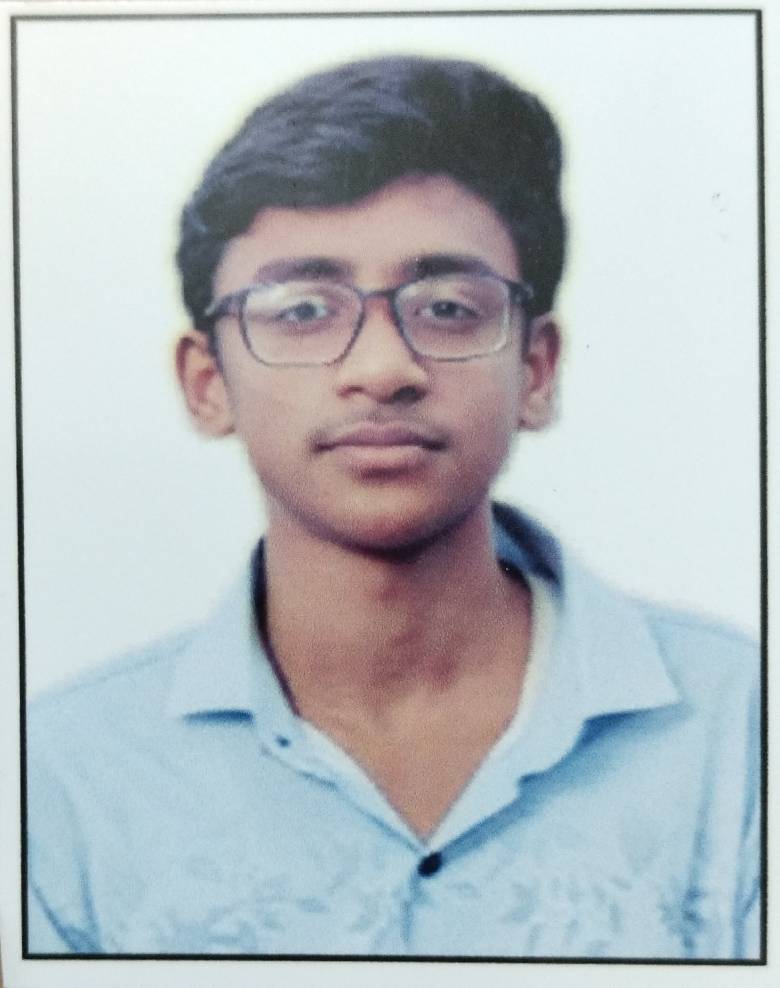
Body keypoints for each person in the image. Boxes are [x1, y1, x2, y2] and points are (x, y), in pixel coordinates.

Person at [26, 55, 760, 959]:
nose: (382, 369)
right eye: (303, 311)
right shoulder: (59, 782)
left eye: (448, 307)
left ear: (536, 370)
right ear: (208, 382)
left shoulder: (742, 734)